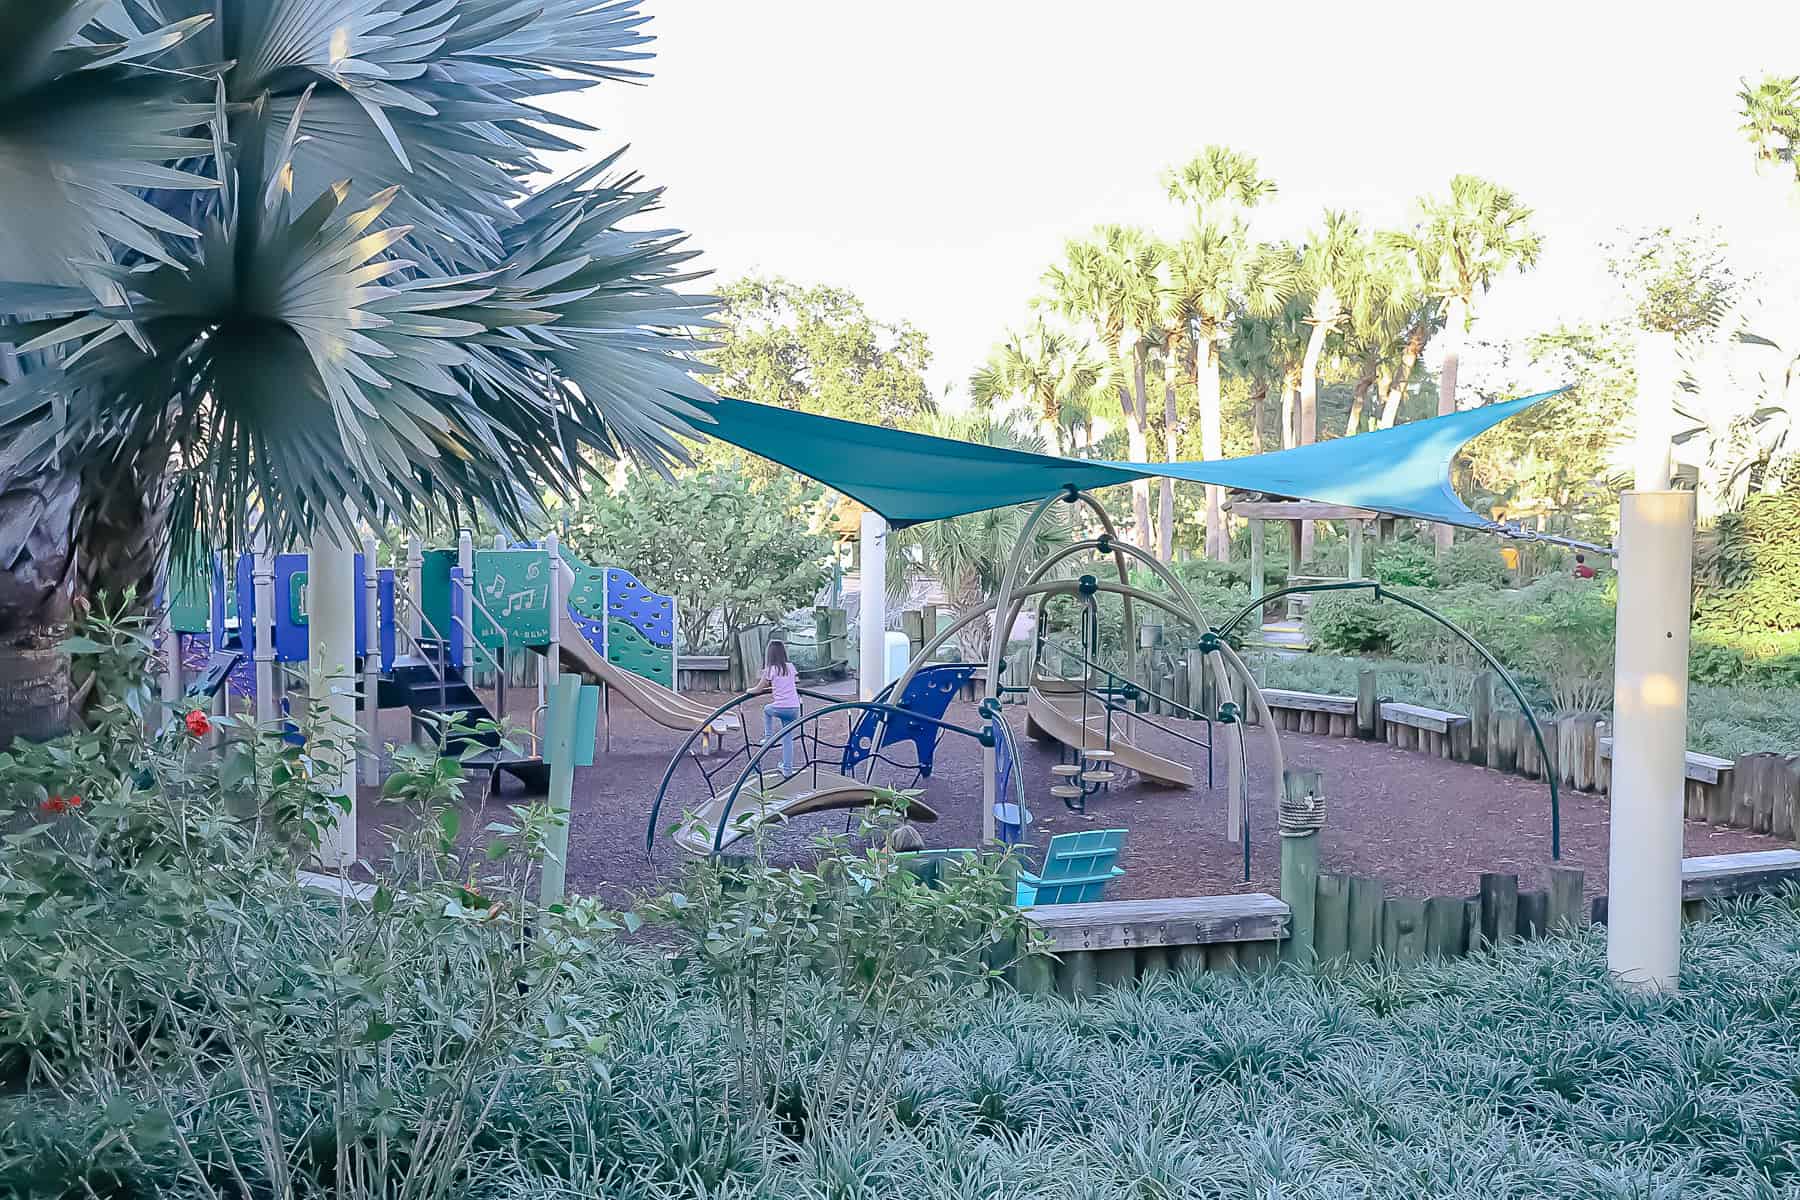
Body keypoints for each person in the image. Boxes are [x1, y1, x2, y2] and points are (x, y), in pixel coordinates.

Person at [753, 640, 803, 775]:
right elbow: (795, 681)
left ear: (769, 655)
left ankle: (768, 736)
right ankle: (787, 769)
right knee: (787, 738)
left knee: (767, 710)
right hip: (794, 708)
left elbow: (758, 688)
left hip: (780, 707)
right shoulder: (790, 667)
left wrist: (749, 690)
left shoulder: (771, 669)